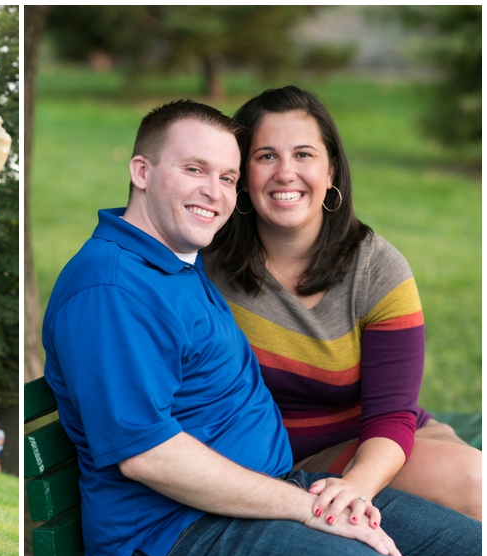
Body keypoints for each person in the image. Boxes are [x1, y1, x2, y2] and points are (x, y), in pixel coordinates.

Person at [42, 99, 480, 556]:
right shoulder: (111, 288)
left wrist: (320, 499)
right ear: (141, 172)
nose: (214, 191)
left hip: (267, 497)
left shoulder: (178, 261)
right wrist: (306, 508)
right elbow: (147, 456)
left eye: (227, 176)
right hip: (173, 545)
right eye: (194, 169)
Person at [204, 86, 481, 522]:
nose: (285, 172)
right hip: (271, 471)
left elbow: (392, 414)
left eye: (303, 154)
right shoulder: (207, 271)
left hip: (379, 449)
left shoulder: (377, 269)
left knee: (474, 484)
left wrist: (354, 488)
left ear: (331, 170)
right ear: (241, 175)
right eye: (266, 156)